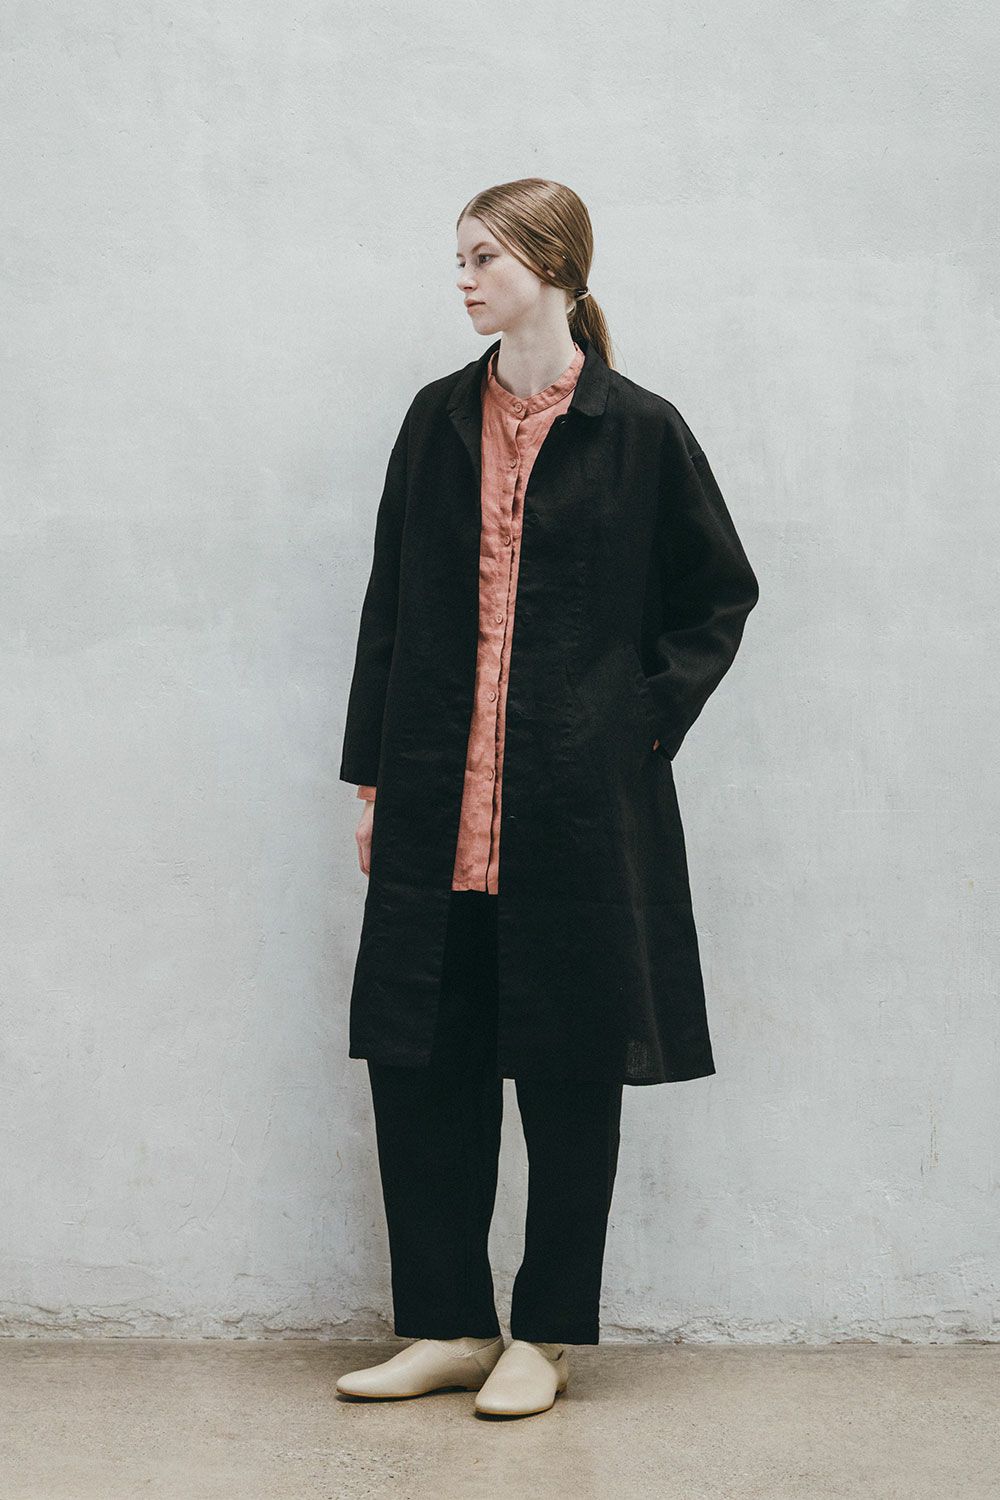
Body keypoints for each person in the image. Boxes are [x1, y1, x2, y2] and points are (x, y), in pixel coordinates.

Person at [335, 178, 760, 1418]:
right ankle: (448, 1327)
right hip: (435, 799)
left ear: (553, 266)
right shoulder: (435, 420)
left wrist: (635, 725)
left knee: (571, 1064)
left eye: (484, 258)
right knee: (423, 1059)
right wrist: (372, 781)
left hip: (576, 816)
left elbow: (717, 596)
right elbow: (387, 607)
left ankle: (548, 1335)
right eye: (458, 259)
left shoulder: (640, 430)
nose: (463, 280)